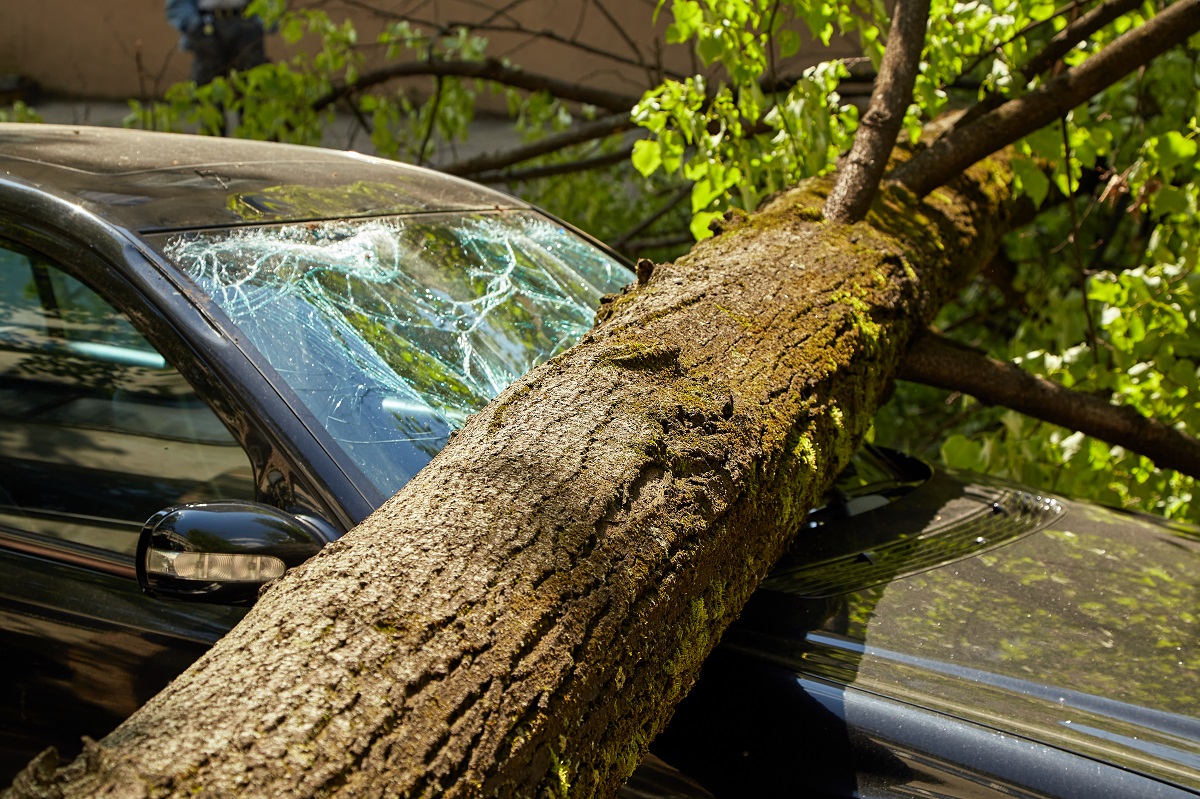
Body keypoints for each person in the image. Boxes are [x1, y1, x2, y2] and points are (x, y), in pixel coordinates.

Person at [165, 0, 267, 86]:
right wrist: (194, 25)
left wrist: (260, 22)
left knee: (253, 86)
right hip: (206, 23)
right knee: (206, 90)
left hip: (246, 22)